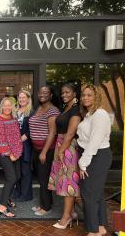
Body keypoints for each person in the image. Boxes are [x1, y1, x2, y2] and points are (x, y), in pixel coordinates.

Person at [77, 85, 112, 236]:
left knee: (89, 194)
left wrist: (82, 163)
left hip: (96, 157)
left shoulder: (100, 114)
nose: (85, 98)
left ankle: (93, 230)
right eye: (84, 95)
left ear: (96, 96)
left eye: (89, 95)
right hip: (91, 155)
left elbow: (94, 142)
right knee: (96, 194)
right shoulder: (89, 114)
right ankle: (101, 227)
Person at [48, 83, 81, 228]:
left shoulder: (76, 110)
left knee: (69, 183)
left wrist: (61, 151)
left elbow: (70, 134)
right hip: (61, 145)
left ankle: (66, 217)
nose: (64, 95)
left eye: (67, 92)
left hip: (68, 147)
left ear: (74, 93)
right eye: (62, 93)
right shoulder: (66, 108)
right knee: (63, 180)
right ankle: (72, 213)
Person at [29, 86, 60, 216]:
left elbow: (52, 132)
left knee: (43, 179)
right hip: (36, 149)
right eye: (40, 92)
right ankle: (45, 203)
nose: (42, 94)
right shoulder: (40, 108)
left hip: (46, 150)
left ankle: (46, 208)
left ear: (51, 95)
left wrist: (44, 152)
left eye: (46, 92)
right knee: (41, 178)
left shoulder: (52, 110)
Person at [0, 97, 23, 218]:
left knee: (18, 176)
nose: (7, 108)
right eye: (4, 105)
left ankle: (8, 197)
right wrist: (10, 154)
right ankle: (2, 206)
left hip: (16, 153)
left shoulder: (14, 119)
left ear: (12, 107)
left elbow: (17, 137)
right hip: (4, 153)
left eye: (9, 105)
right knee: (11, 178)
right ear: (1, 107)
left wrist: (17, 153)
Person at [14, 90, 34, 202]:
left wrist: (22, 138)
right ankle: (18, 192)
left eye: (24, 97)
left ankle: (26, 195)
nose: (21, 99)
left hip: (25, 144)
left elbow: (33, 128)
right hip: (15, 144)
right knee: (17, 170)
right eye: (20, 97)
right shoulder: (15, 111)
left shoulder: (31, 111)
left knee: (25, 170)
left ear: (28, 98)